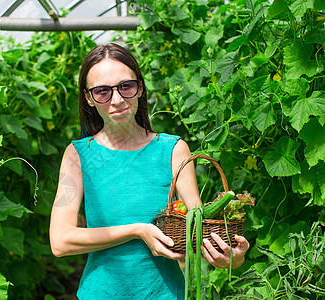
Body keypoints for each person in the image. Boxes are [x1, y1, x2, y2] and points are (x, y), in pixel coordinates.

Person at [49, 43, 250, 299]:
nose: (118, 99)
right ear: (89, 98)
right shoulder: (77, 155)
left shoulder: (174, 150)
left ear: (140, 87)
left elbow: (197, 229)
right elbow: (60, 241)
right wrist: (136, 230)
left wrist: (231, 258)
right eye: (102, 92)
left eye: (126, 86)